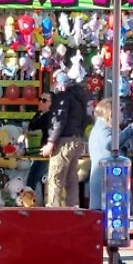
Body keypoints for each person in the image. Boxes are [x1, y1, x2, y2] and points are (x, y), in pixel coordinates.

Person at [38, 72, 88, 208]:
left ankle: (53, 210)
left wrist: (50, 142)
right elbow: (85, 120)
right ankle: (73, 208)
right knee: (71, 178)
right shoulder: (79, 98)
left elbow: (59, 121)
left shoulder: (63, 97)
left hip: (64, 142)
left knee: (55, 177)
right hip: (76, 140)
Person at [87, 100, 133, 211]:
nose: (122, 114)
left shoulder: (109, 128)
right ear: (110, 112)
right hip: (106, 181)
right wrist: (130, 129)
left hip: (111, 180)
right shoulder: (102, 128)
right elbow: (110, 144)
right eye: (120, 111)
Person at [23, 91, 52, 197]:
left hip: (44, 151)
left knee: (33, 178)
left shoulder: (51, 117)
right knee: (37, 179)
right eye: (40, 99)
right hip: (34, 151)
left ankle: (28, 202)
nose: (40, 102)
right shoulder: (38, 114)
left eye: (44, 100)